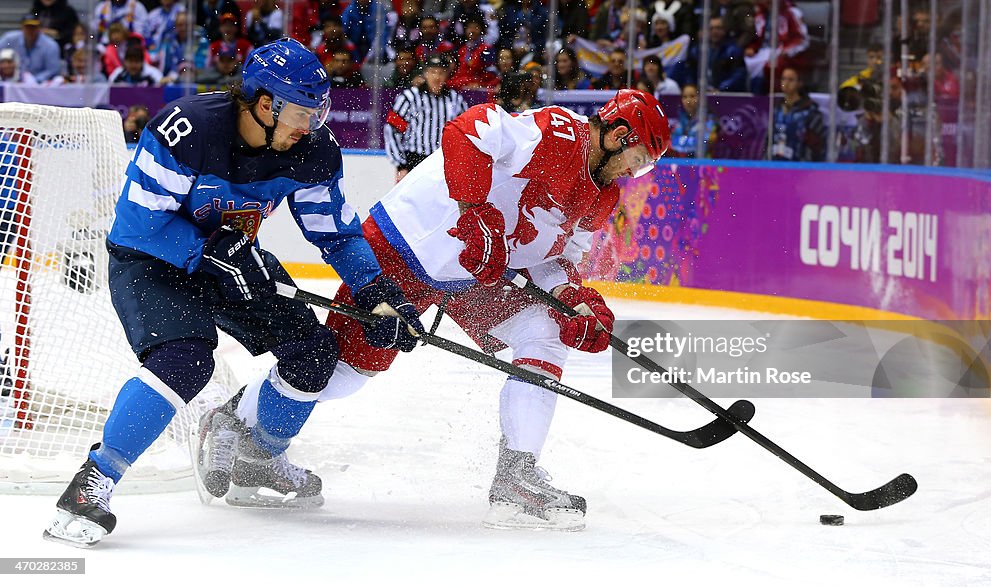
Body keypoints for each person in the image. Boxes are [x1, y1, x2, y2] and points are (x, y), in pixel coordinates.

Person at [198, 89, 671, 531]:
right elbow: (467, 130)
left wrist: (573, 298)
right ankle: (235, 419)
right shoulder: (553, 134)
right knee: (341, 374)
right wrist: (474, 212)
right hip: (404, 247)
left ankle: (516, 478)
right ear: (619, 135)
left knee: (545, 330)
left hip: (475, 272)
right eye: (640, 160)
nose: (636, 172)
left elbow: (555, 258)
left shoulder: (603, 192)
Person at [43, 38, 422, 547]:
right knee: (186, 360)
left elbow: (333, 233)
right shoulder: (188, 130)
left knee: (314, 355)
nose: (311, 126)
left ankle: (257, 460)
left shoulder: (314, 151)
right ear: (267, 104)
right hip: (151, 263)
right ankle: (93, 483)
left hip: (230, 262)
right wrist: (216, 253)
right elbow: (139, 225)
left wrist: (378, 292)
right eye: (305, 113)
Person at [384, 53, 467, 182]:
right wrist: (401, 165)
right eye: (433, 72)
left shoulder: (455, 100)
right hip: (414, 161)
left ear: (447, 75)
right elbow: (392, 130)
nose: (436, 77)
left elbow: (464, 133)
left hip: (443, 163)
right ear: (425, 74)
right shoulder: (409, 97)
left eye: (441, 73)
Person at [771, 67, 825, 161]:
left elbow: (816, 144)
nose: (786, 83)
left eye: (791, 80)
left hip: (800, 165)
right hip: (776, 162)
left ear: (799, 83)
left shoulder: (810, 111)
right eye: (783, 79)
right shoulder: (777, 109)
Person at [0, 14, 63, 82]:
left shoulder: (50, 45)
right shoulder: (9, 39)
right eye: (27, 27)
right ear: (22, 27)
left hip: (39, 85)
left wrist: (34, 80)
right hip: (11, 81)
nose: (30, 30)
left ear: (39, 28)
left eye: (33, 27)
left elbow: (53, 70)